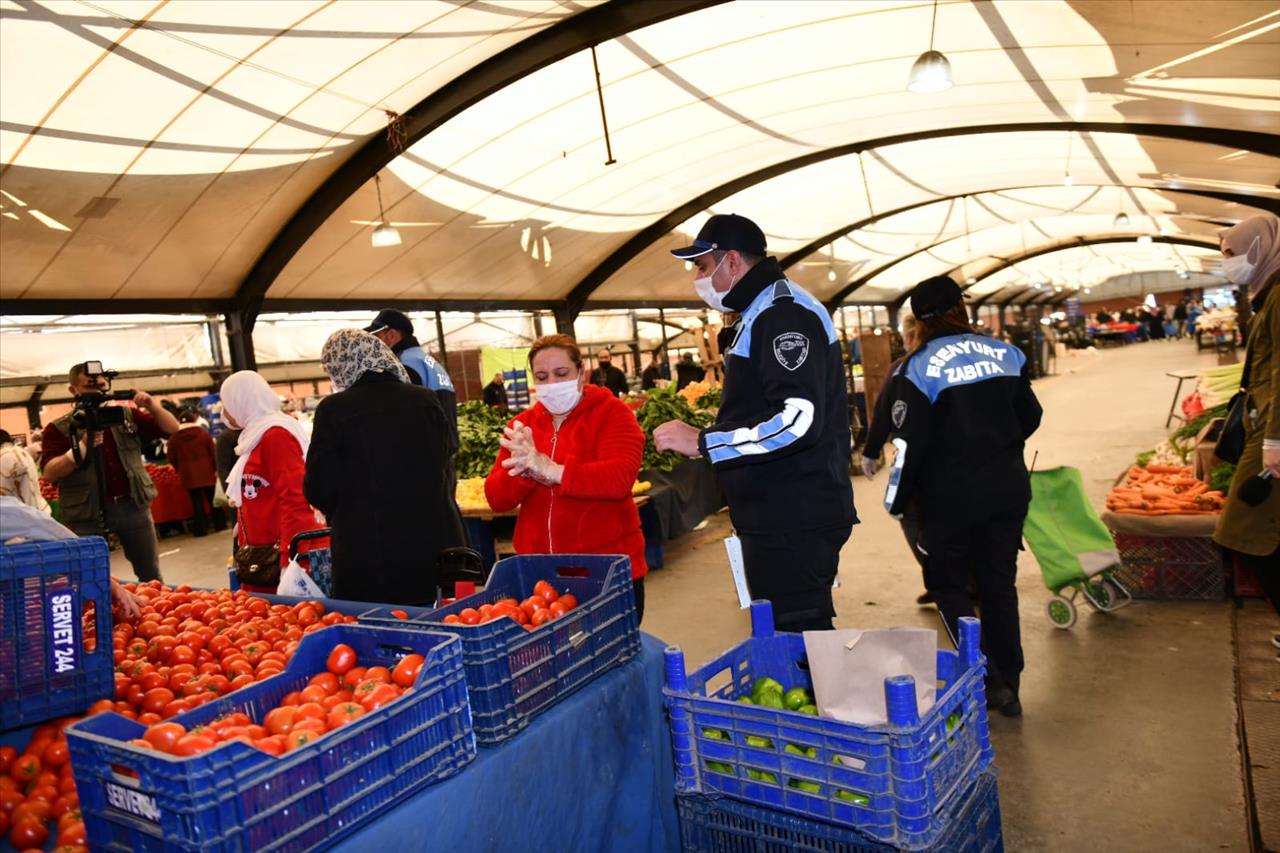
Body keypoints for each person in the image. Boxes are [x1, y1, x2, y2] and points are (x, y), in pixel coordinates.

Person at [654, 213, 857, 632]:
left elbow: (797, 420)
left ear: (731, 262)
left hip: (795, 511)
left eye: (703, 266)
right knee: (784, 629)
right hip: (776, 509)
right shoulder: (759, 309)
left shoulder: (783, 315)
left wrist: (705, 441)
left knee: (800, 634)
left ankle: (821, 698)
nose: (698, 277)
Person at [880, 276, 1042, 717]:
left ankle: (985, 678)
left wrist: (898, 498)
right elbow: (1031, 416)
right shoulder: (1005, 353)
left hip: (949, 497)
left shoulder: (918, 367)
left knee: (949, 584)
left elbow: (910, 443)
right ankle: (1011, 679)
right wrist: (997, 445)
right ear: (960, 310)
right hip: (1007, 488)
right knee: (998, 586)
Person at [485, 335, 650, 621]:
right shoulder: (522, 426)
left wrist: (552, 470)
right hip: (540, 577)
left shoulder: (613, 414)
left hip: (603, 572)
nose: (552, 383)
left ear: (580, 372)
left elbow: (619, 478)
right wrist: (526, 470)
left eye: (561, 374)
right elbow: (497, 498)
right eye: (542, 376)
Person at [306, 329, 465, 606]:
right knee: (428, 625)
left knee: (373, 633)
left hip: (366, 553)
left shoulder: (334, 409)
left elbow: (319, 488)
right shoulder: (425, 399)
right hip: (427, 547)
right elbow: (444, 459)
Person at [40, 363, 179, 582]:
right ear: (73, 390)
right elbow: (50, 472)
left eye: (102, 385)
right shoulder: (60, 428)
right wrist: (81, 448)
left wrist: (153, 406)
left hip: (133, 506)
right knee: (89, 577)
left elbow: (172, 429)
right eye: (89, 386)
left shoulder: (126, 415)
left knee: (150, 574)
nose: (97, 391)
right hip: (87, 513)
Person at [1212, 214, 1280, 654]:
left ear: (1260, 248)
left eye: (1232, 255)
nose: (1227, 264)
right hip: (1265, 424)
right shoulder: (1268, 293)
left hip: (1272, 432)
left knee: (1243, 531)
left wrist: (1274, 439)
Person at [220, 371, 314, 593]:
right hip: (259, 557)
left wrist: (289, 560)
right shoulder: (253, 437)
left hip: (277, 557)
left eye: (226, 403)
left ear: (242, 401)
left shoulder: (275, 436)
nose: (224, 412)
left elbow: (295, 498)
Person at [860, 315, 931, 606]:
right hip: (964, 462)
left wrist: (871, 450)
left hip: (916, 463)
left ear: (910, 337)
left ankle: (938, 579)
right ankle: (965, 581)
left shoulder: (902, 369)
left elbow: (882, 413)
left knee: (910, 517)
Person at [366, 309, 460, 488]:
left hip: (425, 467)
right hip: (443, 462)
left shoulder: (405, 366)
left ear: (392, 335)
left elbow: (405, 420)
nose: (375, 344)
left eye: (377, 336)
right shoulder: (427, 361)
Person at [165, 410, 225, 537]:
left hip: (188, 475)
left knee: (196, 503)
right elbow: (213, 452)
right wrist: (215, 469)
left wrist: (179, 468)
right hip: (207, 472)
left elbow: (171, 456)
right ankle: (220, 525)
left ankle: (200, 529)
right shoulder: (203, 434)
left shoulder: (174, 438)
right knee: (212, 500)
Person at [0, 429, 49, 513]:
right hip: (39, 511)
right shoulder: (22, 452)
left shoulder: (3, 457)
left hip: (23, 517)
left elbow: (3, 496)